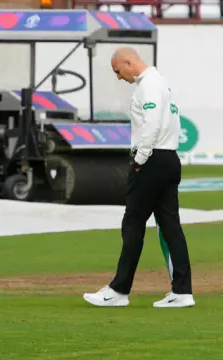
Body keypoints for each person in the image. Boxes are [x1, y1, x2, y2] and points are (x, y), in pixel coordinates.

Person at [83, 47, 195, 308]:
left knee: (133, 222)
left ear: (129, 62)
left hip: (153, 160)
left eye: (117, 70)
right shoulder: (162, 83)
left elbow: (151, 123)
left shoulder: (149, 86)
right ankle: (182, 291)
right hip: (169, 158)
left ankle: (118, 291)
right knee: (170, 226)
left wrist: (140, 159)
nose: (118, 77)